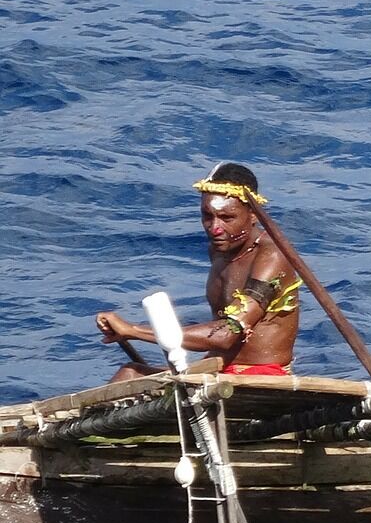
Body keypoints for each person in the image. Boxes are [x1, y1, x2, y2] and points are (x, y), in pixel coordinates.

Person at [94, 163, 303, 382]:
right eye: (207, 216)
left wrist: (133, 330)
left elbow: (227, 334)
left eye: (227, 218)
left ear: (252, 215)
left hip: (259, 377)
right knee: (129, 373)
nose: (215, 228)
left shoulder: (272, 257)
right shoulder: (220, 249)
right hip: (216, 369)